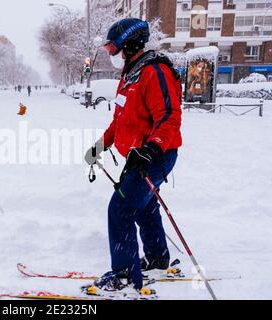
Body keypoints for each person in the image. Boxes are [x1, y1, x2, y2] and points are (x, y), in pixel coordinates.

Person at [84, 18, 183, 297]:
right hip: (139, 158)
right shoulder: (129, 77)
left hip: (156, 155)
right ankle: (157, 259)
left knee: (121, 209)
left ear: (129, 46)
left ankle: (125, 276)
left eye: (113, 48)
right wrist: (99, 147)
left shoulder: (155, 72)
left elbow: (169, 116)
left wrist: (152, 149)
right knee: (144, 207)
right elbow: (120, 122)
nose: (112, 55)